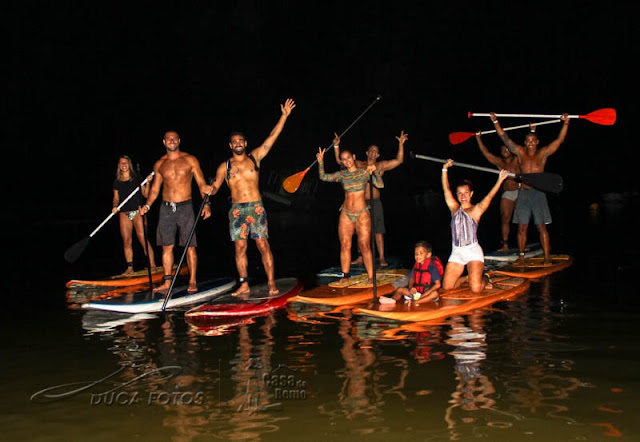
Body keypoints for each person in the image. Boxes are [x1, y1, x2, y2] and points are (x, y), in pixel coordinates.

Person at [206, 98, 296, 297]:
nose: (238, 144)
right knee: (240, 248)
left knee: (263, 245)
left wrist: (284, 116)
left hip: (256, 207)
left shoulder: (255, 157)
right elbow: (214, 189)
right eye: (235, 142)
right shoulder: (225, 166)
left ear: (245, 143)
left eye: (241, 141)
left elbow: (273, 136)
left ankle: (272, 282)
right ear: (230, 145)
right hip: (237, 209)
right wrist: (207, 190)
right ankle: (244, 284)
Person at [490, 112, 570, 265]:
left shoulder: (542, 153)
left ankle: (547, 257)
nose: (530, 143)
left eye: (533, 140)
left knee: (541, 227)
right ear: (525, 143)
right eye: (528, 141)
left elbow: (559, 140)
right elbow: (505, 138)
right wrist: (495, 122)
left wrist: (566, 123)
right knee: (522, 227)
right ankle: (521, 257)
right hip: (523, 193)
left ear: (537, 141)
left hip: (538, 193)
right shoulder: (520, 153)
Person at [139, 131, 211, 293]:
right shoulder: (159, 164)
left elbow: (202, 184)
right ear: (164, 142)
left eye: (174, 138)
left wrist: (207, 204)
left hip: (185, 207)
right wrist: (148, 205)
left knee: (189, 246)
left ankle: (192, 281)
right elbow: (155, 189)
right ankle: (167, 281)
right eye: (168, 139)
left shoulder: (190, 160)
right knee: (166, 247)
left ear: (179, 140)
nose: (172, 141)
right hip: (166, 209)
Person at [333, 131, 406, 266]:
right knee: (357, 231)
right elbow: (340, 161)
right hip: (360, 203)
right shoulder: (359, 164)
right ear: (367, 153)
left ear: (378, 155)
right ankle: (360, 256)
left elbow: (399, 160)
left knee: (378, 230)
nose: (373, 153)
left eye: (375, 151)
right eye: (371, 150)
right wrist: (336, 147)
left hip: (375, 201)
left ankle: (382, 257)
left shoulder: (381, 165)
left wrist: (401, 144)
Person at [441, 159, 510, 294]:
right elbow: (446, 190)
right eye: (460, 193)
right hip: (457, 253)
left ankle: (485, 278)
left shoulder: (476, 210)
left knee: (476, 289)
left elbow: (489, 197)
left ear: (471, 194)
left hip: (473, 252)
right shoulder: (454, 208)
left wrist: (500, 180)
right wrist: (445, 170)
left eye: (466, 192)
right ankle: (467, 277)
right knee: (447, 287)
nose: (463, 196)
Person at [316, 146, 383, 283]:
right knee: (345, 244)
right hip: (346, 213)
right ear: (342, 162)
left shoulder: (364, 173)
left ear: (353, 157)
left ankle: (371, 277)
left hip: (362, 213)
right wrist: (321, 162)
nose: (347, 161)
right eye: (343, 160)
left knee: (364, 245)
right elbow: (323, 177)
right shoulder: (342, 175)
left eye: (348, 158)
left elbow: (380, 185)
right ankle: (345, 276)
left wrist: (374, 172)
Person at [475, 133, 521, 251]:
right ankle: (505, 244)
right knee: (505, 218)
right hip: (508, 193)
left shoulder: (517, 159)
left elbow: (529, 151)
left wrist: (532, 131)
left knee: (522, 219)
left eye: (507, 149)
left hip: (521, 191)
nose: (505, 151)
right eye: (502, 150)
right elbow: (486, 153)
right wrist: (478, 138)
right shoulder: (499, 162)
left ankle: (522, 245)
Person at [111, 155, 157, 274]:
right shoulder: (117, 182)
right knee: (126, 241)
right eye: (121, 163)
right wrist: (115, 206)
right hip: (124, 213)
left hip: (137, 212)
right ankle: (130, 268)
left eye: (126, 162)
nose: (124, 165)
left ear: (129, 164)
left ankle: (152, 265)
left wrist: (148, 183)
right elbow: (116, 198)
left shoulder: (137, 178)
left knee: (143, 239)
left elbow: (146, 195)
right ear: (119, 166)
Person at [379, 240, 443, 305]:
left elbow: (438, 285)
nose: (418, 256)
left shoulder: (432, 267)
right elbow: (411, 278)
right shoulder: (416, 265)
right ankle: (392, 300)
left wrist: (425, 294)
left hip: (427, 294)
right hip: (417, 293)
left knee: (435, 294)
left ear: (428, 255)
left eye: (421, 253)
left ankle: (415, 302)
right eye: (416, 254)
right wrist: (411, 287)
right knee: (400, 289)